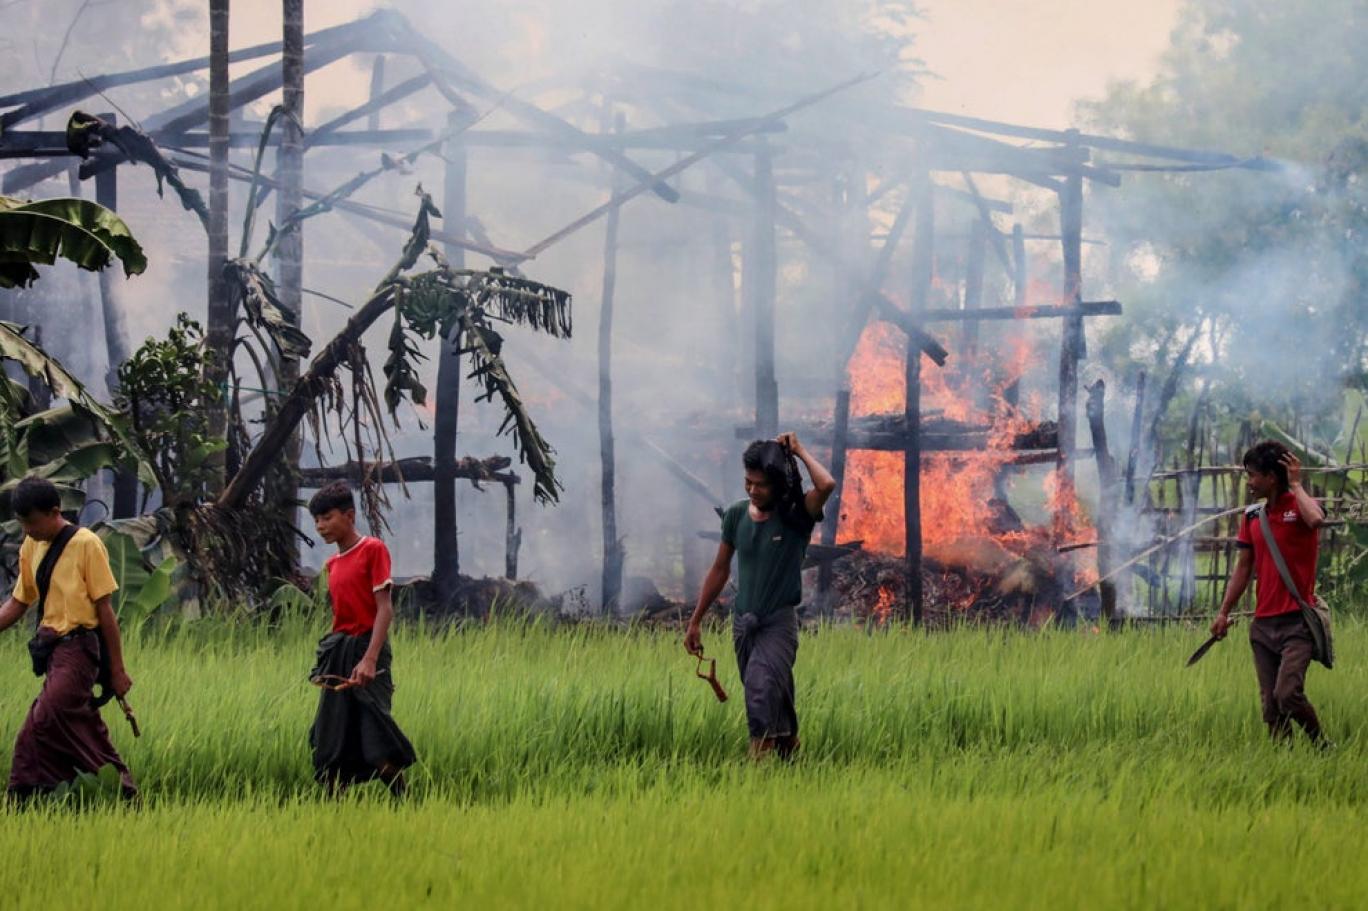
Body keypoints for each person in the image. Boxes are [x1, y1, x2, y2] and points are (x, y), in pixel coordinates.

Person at [685, 433, 836, 760]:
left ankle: (757, 773)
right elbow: (720, 569)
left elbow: (826, 485)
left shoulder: (798, 516)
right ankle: (790, 759)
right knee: (772, 695)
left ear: (779, 485)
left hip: (777, 626)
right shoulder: (736, 515)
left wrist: (799, 451)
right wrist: (695, 620)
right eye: (748, 482)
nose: (753, 489)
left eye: (761, 484)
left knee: (759, 691)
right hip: (743, 625)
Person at [0, 477, 136, 800]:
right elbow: (19, 602)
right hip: (53, 654)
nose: (27, 531)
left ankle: (22, 796)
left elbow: (105, 612)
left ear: (54, 512)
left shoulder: (86, 544)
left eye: (32, 522)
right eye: (22, 524)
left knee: (43, 720)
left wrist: (117, 670)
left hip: (80, 650)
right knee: (76, 724)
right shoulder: (31, 546)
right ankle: (121, 793)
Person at [1210, 440, 1328, 745]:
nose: (1249, 482)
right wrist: (1224, 612)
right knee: (1271, 706)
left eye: (1253, 475)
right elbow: (1243, 568)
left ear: (1271, 478)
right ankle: (1283, 762)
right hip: (1262, 625)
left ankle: (1322, 746)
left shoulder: (1301, 508)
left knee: (1287, 694)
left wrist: (1297, 484)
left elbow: (1316, 520)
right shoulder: (1251, 517)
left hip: (1296, 623)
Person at [307, 481, 415, 796]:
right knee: (331, 742)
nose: (320, 526)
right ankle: (332, 823)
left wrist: (369, 659)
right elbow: (340, 617)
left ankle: (406, 805)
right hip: (340, 651)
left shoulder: (373, 550)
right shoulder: (331, 565)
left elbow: (385, 609)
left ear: (349, 515)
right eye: (316, 520)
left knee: (376, 743)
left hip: (369, 651)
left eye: (327, 517)